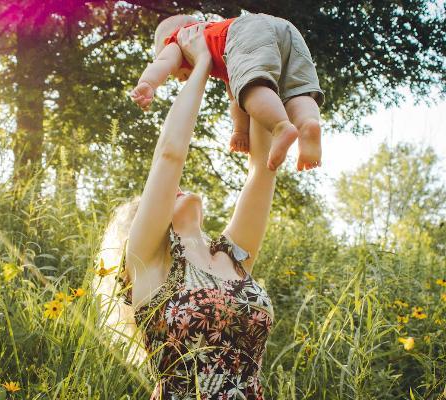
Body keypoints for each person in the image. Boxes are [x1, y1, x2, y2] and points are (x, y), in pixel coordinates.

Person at [113, 24, 277, 399]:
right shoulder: (149, 260)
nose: (177, 187)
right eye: (169, 193)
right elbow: (170, 155)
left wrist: (242, 66)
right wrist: (202, 62)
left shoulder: (233, 258)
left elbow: (263, 170)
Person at [130, 13, 324, 172]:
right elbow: (237, 99)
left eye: (175, 75)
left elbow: (163, 62)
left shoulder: (180, 39)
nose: (179, 78)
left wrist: (148, 83)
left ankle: (281, 126)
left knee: (252, 89)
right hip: (285, 29)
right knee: (297, 90)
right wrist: (240, 131)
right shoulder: (225, 54)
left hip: (246, 30)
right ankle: (308, 124)